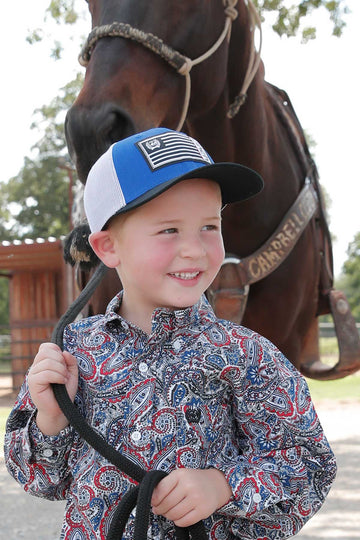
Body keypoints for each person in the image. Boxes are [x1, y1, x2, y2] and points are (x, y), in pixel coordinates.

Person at [5, 128, 336, 540]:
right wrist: (51, 418)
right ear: (108, 247)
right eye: (169, 230)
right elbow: (41, 480)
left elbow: (310, 466)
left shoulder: (247, 355)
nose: (196, 250)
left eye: (209, 227)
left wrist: (224, 485)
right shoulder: (72, 352)